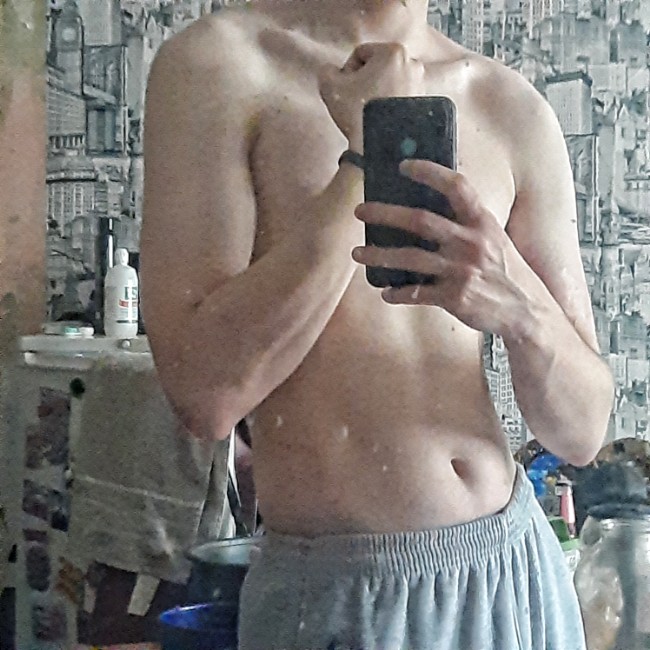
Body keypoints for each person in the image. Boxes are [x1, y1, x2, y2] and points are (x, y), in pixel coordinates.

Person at [140, 0, 615, 648]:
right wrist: (368, 156)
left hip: (514, 573)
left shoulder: (510, 105)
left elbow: (583, 431)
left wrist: (519, 306)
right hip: (342, 592)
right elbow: (205, 394)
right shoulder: (221, 65)